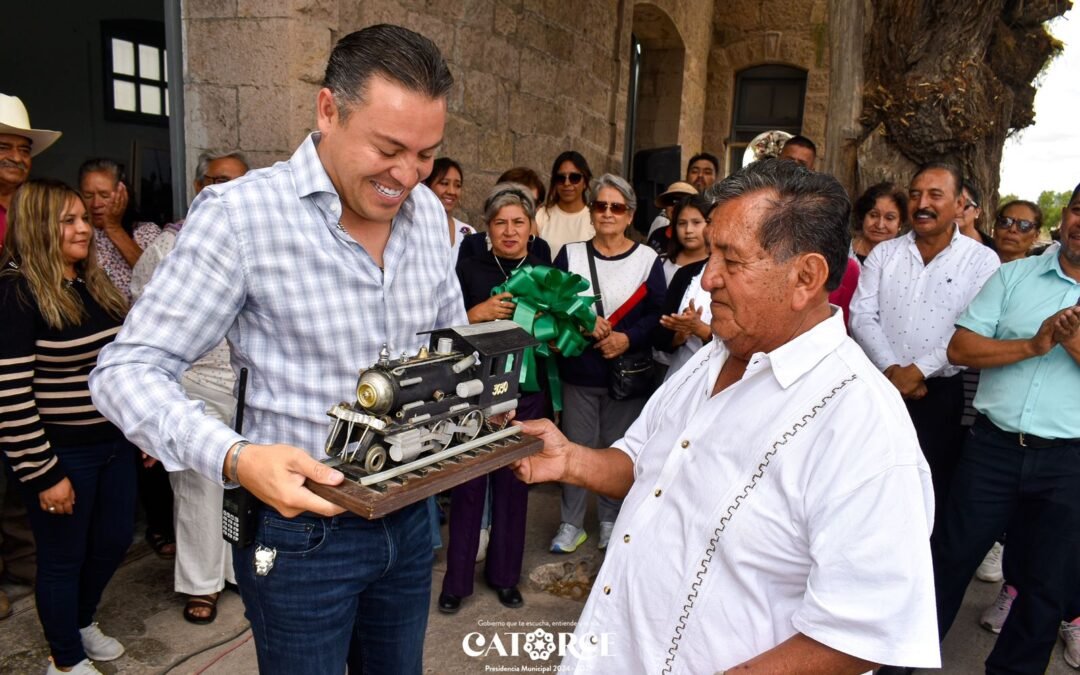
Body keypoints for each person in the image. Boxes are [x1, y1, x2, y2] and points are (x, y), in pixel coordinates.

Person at [89, 24, 466, 674]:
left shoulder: (428, 215)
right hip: (298, 537)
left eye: (427, 154)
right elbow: (125, 371)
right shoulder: (241, 217)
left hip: (410, 518)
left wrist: (479, 408)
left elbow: (446, 347)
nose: (407, 175)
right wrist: (236, 457)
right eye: (388, 148)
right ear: (328, 110)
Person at [512, 158, 940, 673]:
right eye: (710, 252)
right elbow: (645, 465)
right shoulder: (713, 356)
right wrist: (571, 460)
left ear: (806, 276)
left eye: (731, 261)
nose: (707, 278)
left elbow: (860, 634)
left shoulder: (862, 424)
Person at [929, 182, 1080, 675]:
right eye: (1079, 210)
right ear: (1066, 217)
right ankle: (900, 661)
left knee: (1044, 586)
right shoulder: (1015, 275)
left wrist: (1073, 344)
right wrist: (1033, 346)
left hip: (1068, 462)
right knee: (946, 563)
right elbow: (961, 349)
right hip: (992, 448)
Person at [1, 179, 135, 675]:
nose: (86, 228)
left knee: (114, 540)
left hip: (114, 443)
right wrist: (42, 473)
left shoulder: (89, 282)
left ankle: (79, 622)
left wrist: (138, 430)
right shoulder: (17, 294)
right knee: (62, 559)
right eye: (70, 221)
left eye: (85, 218)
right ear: (38, 227)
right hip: (61, 454)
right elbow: (10, 396)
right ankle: (65, 660)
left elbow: (119, 366)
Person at [128, 150, 249, 625]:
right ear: (200, 187)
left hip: (247, 381)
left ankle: (237, 571)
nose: (224, 189)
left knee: (244, 484)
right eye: (216, 180)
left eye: (236, 181)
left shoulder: (257, 239)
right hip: (193, 380)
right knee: (199, 486)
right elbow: (144, 314)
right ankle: (201, 584)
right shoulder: (167, 246)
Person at [849, 162, 1000, 528]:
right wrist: (893, 370)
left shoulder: (982, 261)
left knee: (927, 489)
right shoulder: (886, 253)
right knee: (864, 483)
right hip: (878, 386)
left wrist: (917, 371)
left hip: (940, 396)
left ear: (960, 203)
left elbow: (973, 329)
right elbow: (861, 315)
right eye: (915, 194)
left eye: (935, 194)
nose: (922, 203)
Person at [438, 183, 548, 615]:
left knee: (514, 481)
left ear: (531, 227)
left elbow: (557, 329)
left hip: (527, 389)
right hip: (474, 390)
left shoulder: (543, 268)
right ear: (487, 228)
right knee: (467, 483)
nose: (509, 230)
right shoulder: (468, 266)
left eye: (518, 222)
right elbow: (443, 327)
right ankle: (456, 581)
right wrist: (474, 314)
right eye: (500, 222)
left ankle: (505, 577)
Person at [548, 174, 665, 554]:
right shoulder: (570, 253)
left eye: (617, 207)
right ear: (592, 211)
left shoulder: (648, 259)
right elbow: (553, 306)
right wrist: (581, 321)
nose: (608, 213)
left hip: (626, 374)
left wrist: (627, 338)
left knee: (619, 451)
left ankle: (610, 520)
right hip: (579, 371)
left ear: (630, 214)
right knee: (574, 449)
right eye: (601, 206)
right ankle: (571, 523)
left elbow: (658, 313)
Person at [0, 92, 61, 618]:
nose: (17, 157)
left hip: (20, 355)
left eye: (23, 149)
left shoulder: (30, 208)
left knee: (17, 472)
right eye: (5, 147)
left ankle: (25, 564)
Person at [77, 159, 160, 301]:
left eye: (104, 195)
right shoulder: (77, 235)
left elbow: (158, 279)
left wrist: (114, 228)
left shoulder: (147, 232)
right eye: (88, 196)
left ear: (123, 194)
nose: (96, 204)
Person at [456, 166, 551, 264]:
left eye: (529, 201)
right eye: (510, 198)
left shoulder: (541, 247)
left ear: (538, 207)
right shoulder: (473, 244)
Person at [536, 151, 594, 259]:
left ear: (585, 182)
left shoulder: (595, 218)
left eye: (574, 178)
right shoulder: (541, 215)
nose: (567, 183)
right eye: (561, 178)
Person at [423, 156, 475, 254]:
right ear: (427, 187)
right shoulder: (413, 228)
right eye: (444, 183)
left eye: (458, 185)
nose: (452, 191)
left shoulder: (467, 232)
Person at [849, 182, 908, 265]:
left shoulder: (907, 260)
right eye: (873, 215)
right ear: (862, 216)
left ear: (900, 223)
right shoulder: (842, 253)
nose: (880, 225)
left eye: (889, 218)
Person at [645, 180, 697, 254]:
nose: (675, 207)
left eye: (681, 202)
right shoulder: (657, 234)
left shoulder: (698, 238)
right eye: (671, 201)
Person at [992, 199, 1042, 263]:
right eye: (1005, 222)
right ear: (995, 227)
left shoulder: (1038, 272)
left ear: (1036, 236)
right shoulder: (977, 263)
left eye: (1024, 225)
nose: (1012, 229)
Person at [957, 178, 993, 247]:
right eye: (951, 203)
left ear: (977, 211)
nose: (957, 210)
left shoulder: (992, 247)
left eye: (964, 204)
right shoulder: (932, 245)